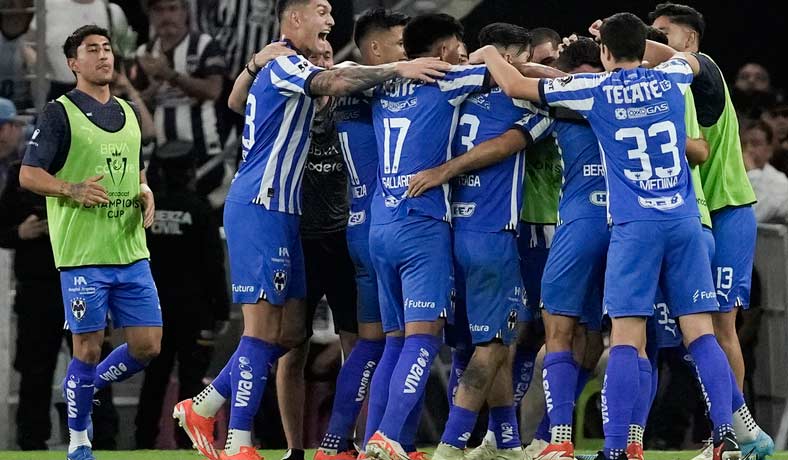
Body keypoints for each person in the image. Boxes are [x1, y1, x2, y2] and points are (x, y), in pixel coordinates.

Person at [170, 0, 450, 458]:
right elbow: (329, 79)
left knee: (281, 335)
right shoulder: (283, 61)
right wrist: (403, 66)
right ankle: (241, 438)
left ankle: (213, 407)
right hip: (262, 204)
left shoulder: (292, 67)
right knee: (265, 333)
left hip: (296, 217)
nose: (331, 23)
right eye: (322, 12)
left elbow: (251, 97)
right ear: (295, 17)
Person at [472, 11, 739, 460]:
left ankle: (615, 449)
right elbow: (686, 59)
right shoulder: (672, 76)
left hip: (634, 229)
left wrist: (484, 54)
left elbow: (517, 85)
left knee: (627, 337)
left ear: (605, 53)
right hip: (684, 222)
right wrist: (640, 44)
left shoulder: (595, 90)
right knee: (701, 334)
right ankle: (725, 438)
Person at [19, 24, 161, 460]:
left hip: (130, 250)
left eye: (107, 49)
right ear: (73, 63)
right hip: (83, 255)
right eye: (91, 50)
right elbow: (29, 174)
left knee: (147, 347)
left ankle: (86, 384)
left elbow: (132, 169)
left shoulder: (129, 113)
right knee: (87, 346)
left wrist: (144, 189)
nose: (103, 56)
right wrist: (71, 189)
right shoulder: (59, 113)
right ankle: (79, 442)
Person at [411, 23, 551, 460]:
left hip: (448, 234)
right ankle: (451, 445)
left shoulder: (454, 94)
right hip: (492, 237)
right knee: (492, 347)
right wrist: (447, 171)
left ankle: (506, 441)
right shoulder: (526, 101)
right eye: (521, 59)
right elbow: (506, 144)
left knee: (488, 343)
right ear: (506, 58)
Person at [361, 13, 491, 460]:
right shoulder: (448, 79)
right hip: (422, 224)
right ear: (440, 52)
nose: (463, 53)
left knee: (395, 342)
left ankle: (371, 443)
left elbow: (336, 76)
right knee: (423, 339)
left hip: (381, 225)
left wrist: (392, 68)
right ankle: (389, 437)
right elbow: (509, 76)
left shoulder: (379, 84)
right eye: (458, 45)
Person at [648, 4, 774, 458]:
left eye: (664, 34)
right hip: (690, 218)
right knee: (693, 333)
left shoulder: (705, 69)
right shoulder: (660, 88)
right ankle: (738, 431)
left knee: (723, 326)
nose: (656, 41)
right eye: (650, 35)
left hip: (728, 211)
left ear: (690, 40)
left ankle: (730, 437)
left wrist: (624, 39)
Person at [315, 9, 409, 460]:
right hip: (389, 226)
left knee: (370, 342)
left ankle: (337, 442)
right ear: (374, 49)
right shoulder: (380, 88)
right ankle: (387, 440)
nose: (405, 55)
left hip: (356, 226)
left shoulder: (347, 90)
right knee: (405, 341)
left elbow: (344, 74)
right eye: (399, 44)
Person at [275, 43, 360, 460]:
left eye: (328, 57)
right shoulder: (286, 109)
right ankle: (294, 448)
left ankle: (353, 442)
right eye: (314, 60)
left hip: (344, 239)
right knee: (292, 344)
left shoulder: (352, 102)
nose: (323, 63)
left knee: (357, 345)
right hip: (299, 240)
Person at [134, 148, 230, 449]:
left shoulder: (149, 208)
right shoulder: (199, 209)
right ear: (190, 172)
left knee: (154, 380)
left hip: (154, 309)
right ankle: (188, 443)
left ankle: (143, 442)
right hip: (195, 311)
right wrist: (222, 311)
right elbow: (214, 264)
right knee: (191, 380)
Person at [132, 0, 227, 197]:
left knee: (203, 207)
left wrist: (169, 74)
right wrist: (153, 88)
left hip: (202, 146)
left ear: (185, 12)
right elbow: (138, 104)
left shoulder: (203, 45)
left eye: (172, 8)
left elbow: (213, 90)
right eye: (159, 10)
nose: (166, 16)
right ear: (149, 14)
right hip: (161, 150)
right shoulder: (143, 53)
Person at [29, 0, 129, 100]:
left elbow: (123, 52)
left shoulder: (111, 11)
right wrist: (40, 69)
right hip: (57, 91)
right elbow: (27, 43)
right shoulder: (48, 6)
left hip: (100, 94)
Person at [742, 120, 788, 223]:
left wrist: (752, 172)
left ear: (769, 150)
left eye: (755, 144)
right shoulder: (733, 175)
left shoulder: (780, 182)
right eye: (744, 144)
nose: (748, 149)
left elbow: (754, 215)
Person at [0, 0, 34, 110]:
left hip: (23, 109)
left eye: (22, 8)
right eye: (9, 6)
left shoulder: (35, 42)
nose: (15, 14)